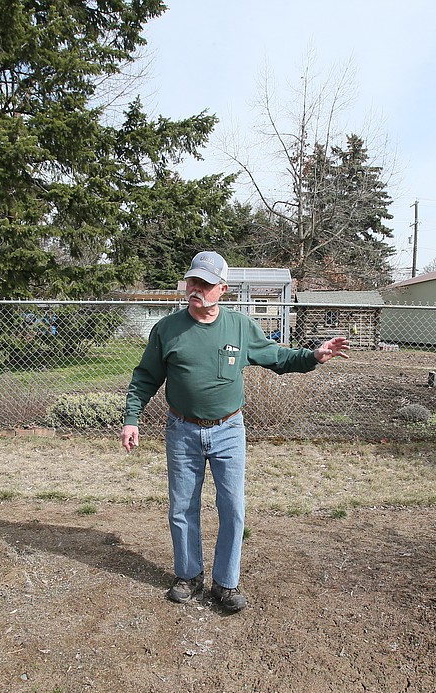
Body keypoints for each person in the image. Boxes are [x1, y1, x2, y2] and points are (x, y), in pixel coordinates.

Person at [121, 251, 350, 613]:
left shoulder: (241, 327)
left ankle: (225, 583)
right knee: (182, 507)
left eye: (206, 284)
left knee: (233, 508)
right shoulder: (167, 329)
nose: (196, 290)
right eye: (193, 282)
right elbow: (145, 377)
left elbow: (278, 358)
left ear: (222, 289)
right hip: (182, 429)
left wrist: (313, 356)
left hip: (229, 429)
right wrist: (132, 418)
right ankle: (188, 575)